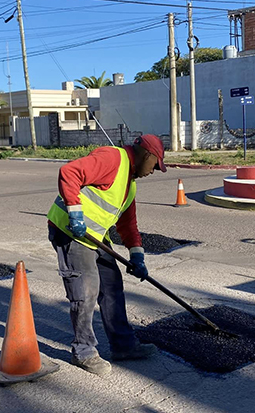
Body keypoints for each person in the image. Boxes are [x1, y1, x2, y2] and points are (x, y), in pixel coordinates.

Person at [47, 134, 167, 376]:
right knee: (86, 291)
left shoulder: (129, 184)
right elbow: (69, 172)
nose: (154, 171)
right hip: (71, 231)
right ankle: (84, 352)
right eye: (156, 165)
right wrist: (75, 213)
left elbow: (128, 224)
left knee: (112, 287)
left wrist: (137, 256)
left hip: (95, 237)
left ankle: (123, 346)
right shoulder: (112, 158)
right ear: (147, 155)